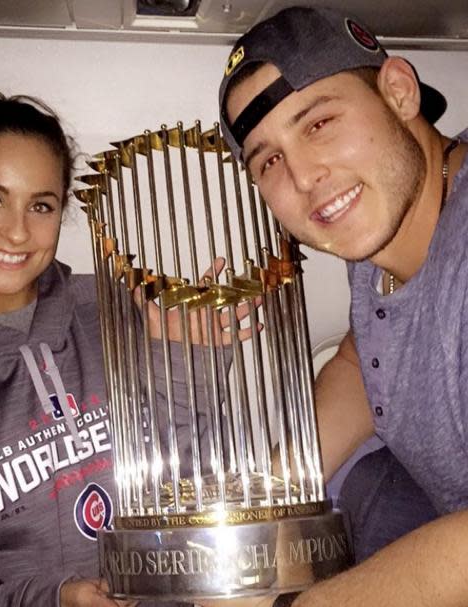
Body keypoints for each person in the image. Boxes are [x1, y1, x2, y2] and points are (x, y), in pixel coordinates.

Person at [0, 87, 242, 606]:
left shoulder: (109, 308)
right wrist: (54, 600)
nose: (17, 232)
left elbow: (184, 478)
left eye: (41, 206)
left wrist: (188, 370)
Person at [217, 5, 468, 606]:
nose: (304, 177)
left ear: (399, 92)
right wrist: (265, 491)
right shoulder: (377, 231)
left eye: (319, 123)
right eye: (269, 160)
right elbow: (363, 361)